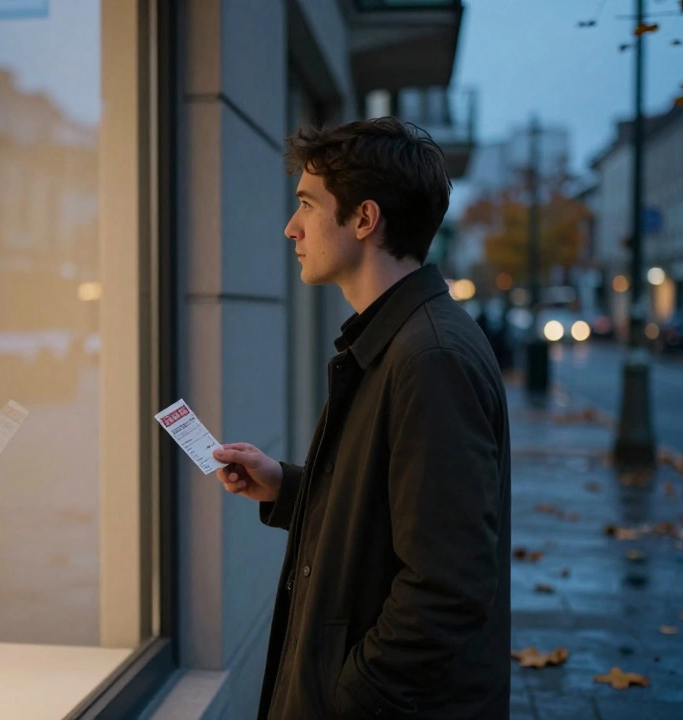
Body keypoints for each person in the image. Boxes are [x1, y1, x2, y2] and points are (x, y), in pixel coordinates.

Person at [212, 117, 511, 719]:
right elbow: (389, 517)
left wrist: (347, 694)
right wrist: (288, 486)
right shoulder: (398, 342)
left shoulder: (429, 358)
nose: (290, 227)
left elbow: (446, 587)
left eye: (306, 204)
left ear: (364, 219)